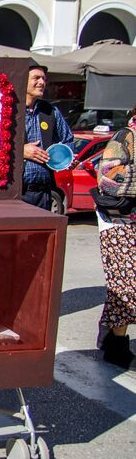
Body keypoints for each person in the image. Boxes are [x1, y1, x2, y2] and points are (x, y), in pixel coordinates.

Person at [93, 109, 136, 369]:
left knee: (125, 283)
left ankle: (108, 335)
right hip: (118, 222)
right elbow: (106, 178)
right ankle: (117, 347)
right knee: (126, 284)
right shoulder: (125, 137)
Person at [22, 64, 74, 210]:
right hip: (16, 192)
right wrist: (21, 151)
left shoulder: (51, 111)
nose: (42, 82)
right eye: (36, 78)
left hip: (43, 192)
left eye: (44, 79)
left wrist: (66, 158)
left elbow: (68, 141)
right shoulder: (10, 109)